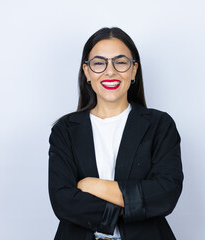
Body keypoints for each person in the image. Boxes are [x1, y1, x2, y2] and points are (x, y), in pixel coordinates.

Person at [48, 27, 183, 240]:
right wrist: (131, 206)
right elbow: (62, 201)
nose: (110, 71)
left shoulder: (160, 125)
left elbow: (165, 193)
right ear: (87, 72)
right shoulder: (65, 130)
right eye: (99, 63)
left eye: (120, 62)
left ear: (134, 70)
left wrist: (94, 185)